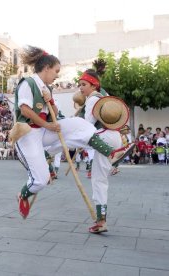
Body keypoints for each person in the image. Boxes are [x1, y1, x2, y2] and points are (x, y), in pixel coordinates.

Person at [14, 46, 134, 220]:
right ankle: (23, 195)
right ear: (46, 68)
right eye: (56, 71)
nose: (57, 75)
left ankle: (111, 153)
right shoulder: (28, 83)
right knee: (41, 180)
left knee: (79, 124)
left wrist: (50, 101)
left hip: (43, 131)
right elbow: (25, 111)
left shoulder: (47, 88)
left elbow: (53, 113)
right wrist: (48, 126)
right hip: (27, 135)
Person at [77, 64, 131, 233]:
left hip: (103, 137)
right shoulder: (103, 96)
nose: (80, 88)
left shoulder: (92, 99)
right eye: (79, 85)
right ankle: (101, 220)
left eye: (83, 84)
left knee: (99, 181)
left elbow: (87, 126)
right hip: (113, 136)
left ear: (93, 85)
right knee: (100, 180)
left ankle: (101, 221)